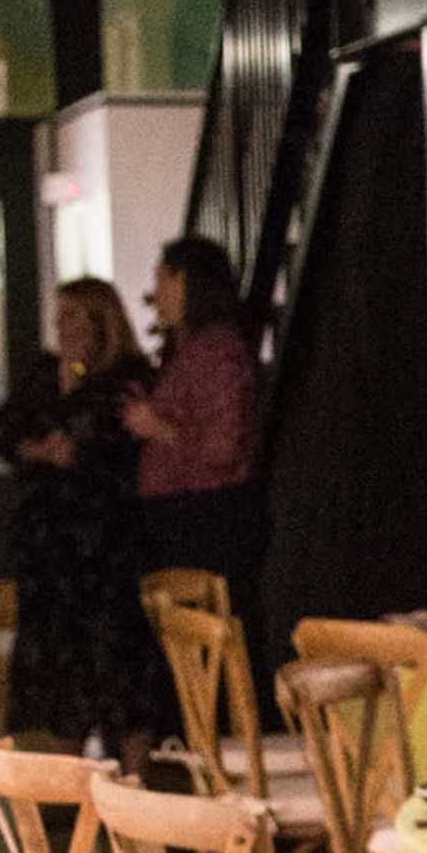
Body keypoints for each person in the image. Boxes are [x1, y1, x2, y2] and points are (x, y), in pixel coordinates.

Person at [0, 275, 170, 755]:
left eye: (73, 315)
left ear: (99, 319)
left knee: (120, 661)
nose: (63, 327)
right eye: (60, 317)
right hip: (52, 545)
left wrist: (72, 424)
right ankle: (70, 774)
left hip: (108, 541)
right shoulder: (43, 374)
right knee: (61, 666)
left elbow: (110, 440)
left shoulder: (128, 377)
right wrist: (37, 449)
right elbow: (1, 429)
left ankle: (132, 774)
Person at [122, 228, 264, 634]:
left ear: (185, 282)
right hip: (183, 518)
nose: (154, 295)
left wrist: (158, 429)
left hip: (206, 521)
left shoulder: (218, 352)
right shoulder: (187, 350)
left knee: (210, 634)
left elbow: (223, 447)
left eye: (161, 280)